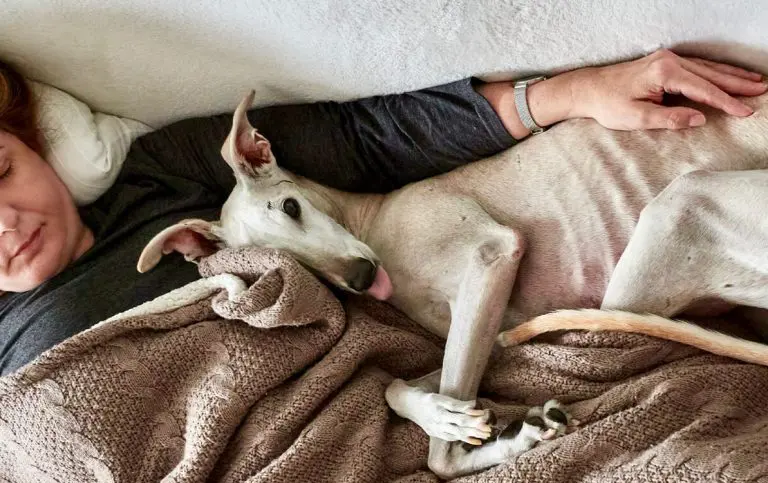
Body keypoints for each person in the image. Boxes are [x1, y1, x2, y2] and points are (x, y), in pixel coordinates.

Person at [0, 50, 765, 374]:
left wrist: (571, 92)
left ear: (30, 142)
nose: (4, 226)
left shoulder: (163, 176)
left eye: (0, 172)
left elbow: (367, 140)